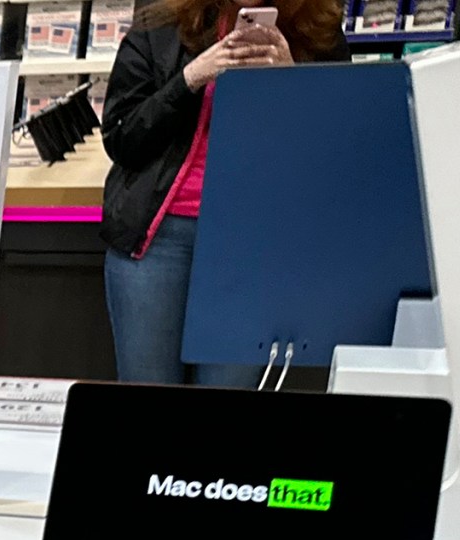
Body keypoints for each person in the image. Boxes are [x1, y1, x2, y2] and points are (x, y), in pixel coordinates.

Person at [99, 0, 348, 384]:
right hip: (157, 240)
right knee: (145, 401)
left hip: (252, 246)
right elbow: (122, 136)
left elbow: (335, 156)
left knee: (228, 407)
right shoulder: (161, 21)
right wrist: (190, 78)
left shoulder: (319, 31)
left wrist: (292, 84)